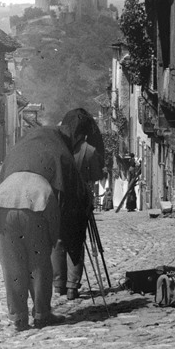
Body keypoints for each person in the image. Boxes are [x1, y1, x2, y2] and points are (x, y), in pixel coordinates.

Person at [0, 115, 91, 332]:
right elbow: (53, 227)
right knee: (39, 266)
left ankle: (18, 318)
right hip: (37, 204)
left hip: (1, 203)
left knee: (12, 266)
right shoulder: (51, 167)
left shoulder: (20, 153)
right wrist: (51, 240)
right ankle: (42, 314)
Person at [52, 108, 105, 300]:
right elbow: (97, 176)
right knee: (76, 242)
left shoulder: (60, 148)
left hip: (59, 202)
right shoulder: (89, 151)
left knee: (58, 241)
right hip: (79, 203)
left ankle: (59, 285)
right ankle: (73, 287)